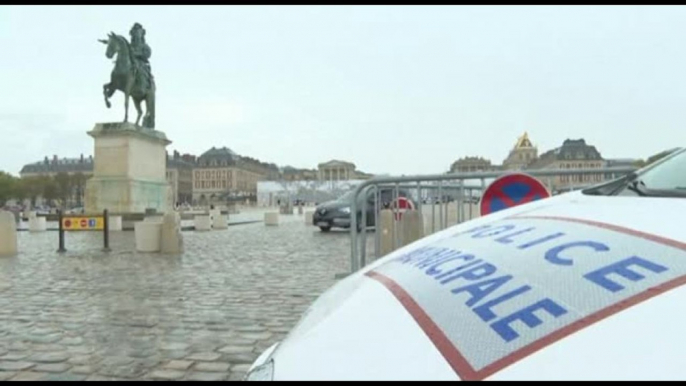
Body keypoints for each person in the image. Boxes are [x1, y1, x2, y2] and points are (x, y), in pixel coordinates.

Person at [129, 23, 153, 91]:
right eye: (134, 32)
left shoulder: (145, 46)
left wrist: (138, 54)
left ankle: (147, 85)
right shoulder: (129, 46)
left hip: (140, 63)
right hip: (131, 63)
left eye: (138, 32)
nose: (136, 35)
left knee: (142, 73)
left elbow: (147, 54)